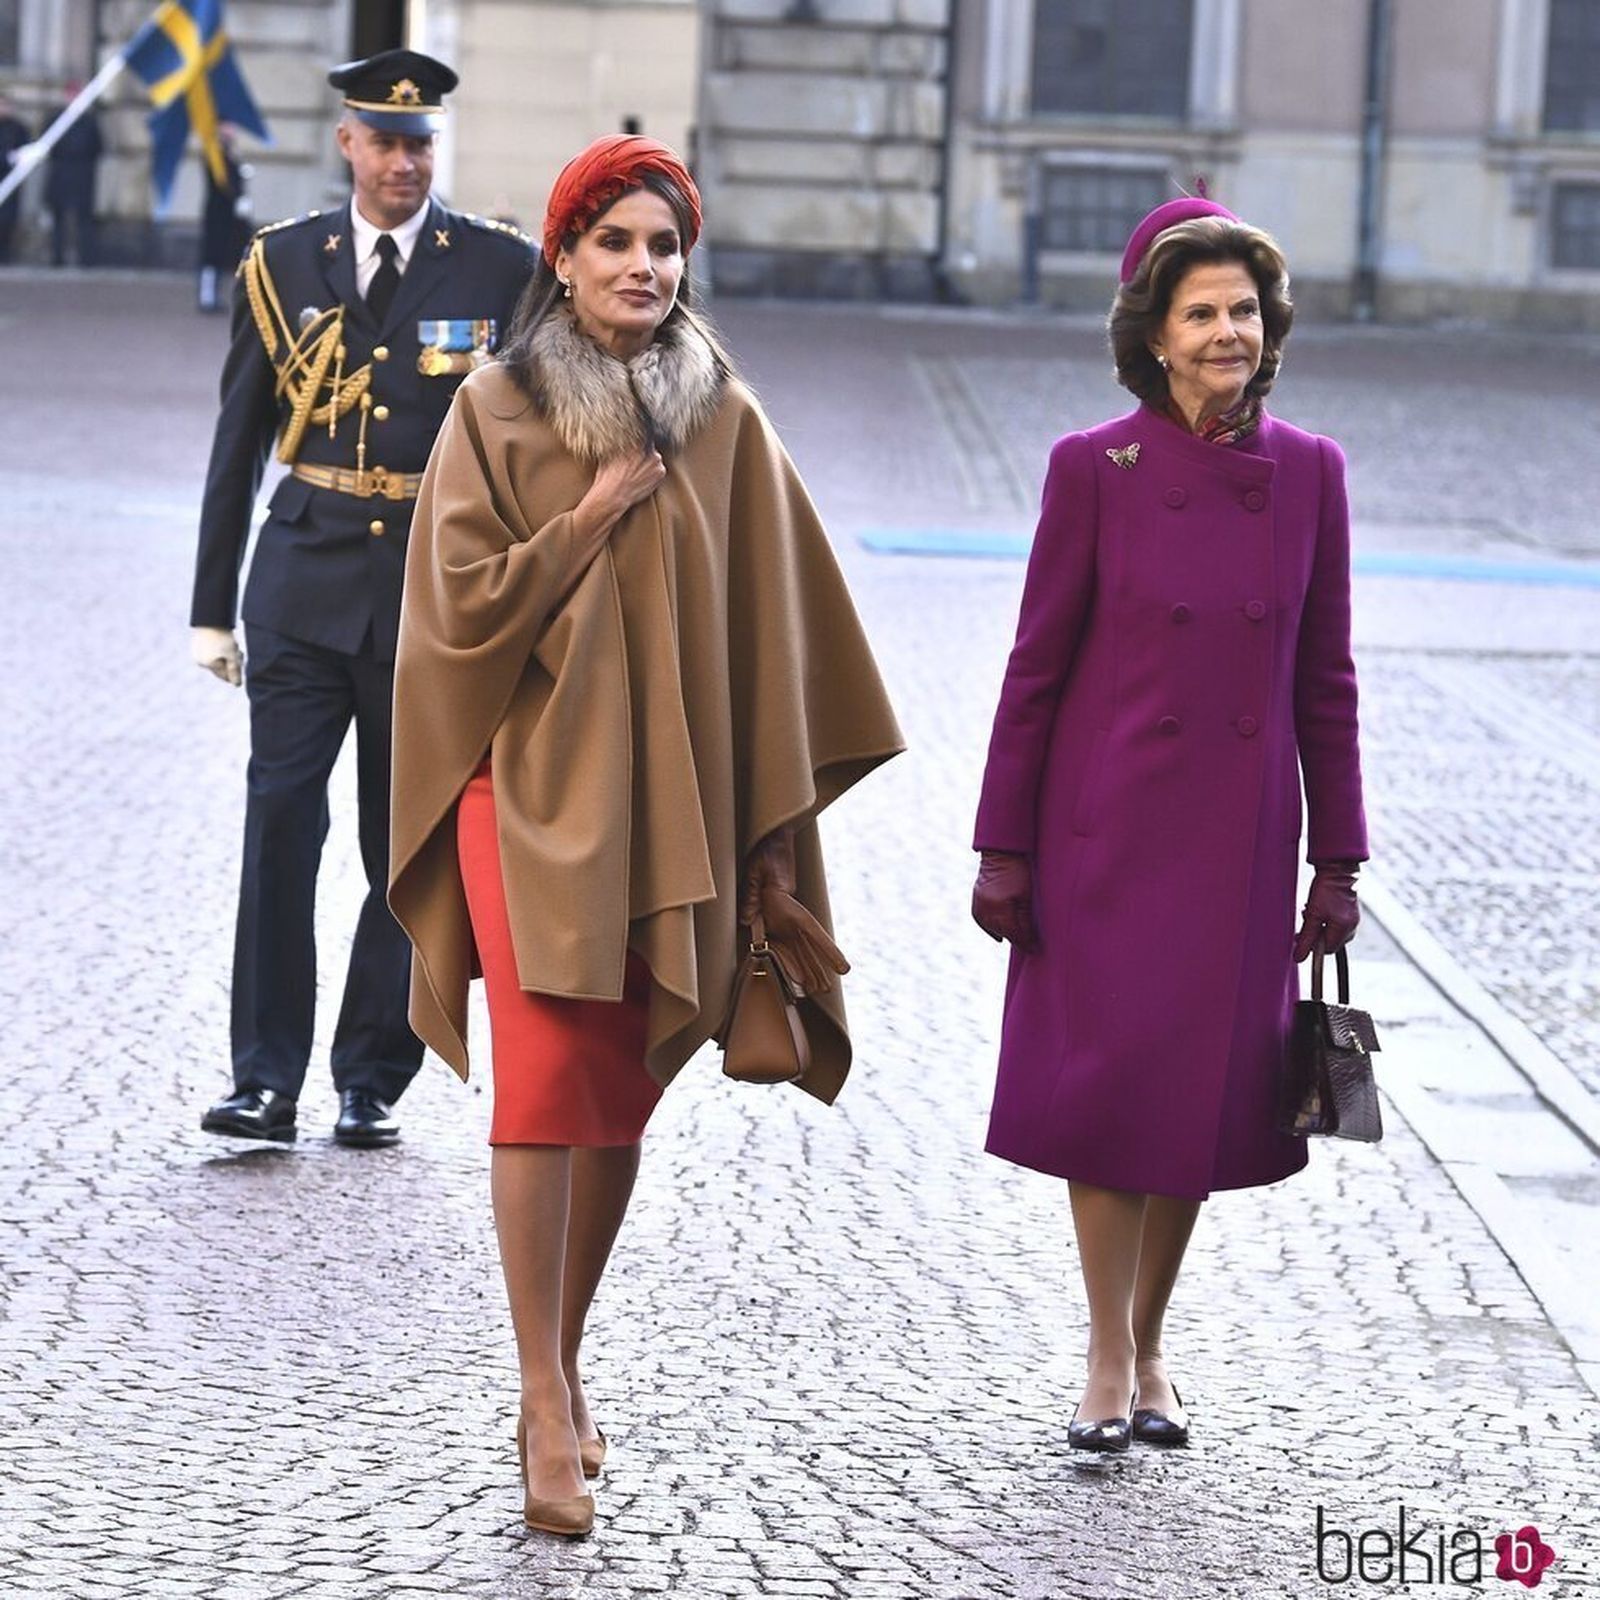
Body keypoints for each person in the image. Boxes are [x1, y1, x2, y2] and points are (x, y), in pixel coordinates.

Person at [387, 135, 904, 1536]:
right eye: (612, 242)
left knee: (615, 1093)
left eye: (662, 246)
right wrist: (588, 519)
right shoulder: (495, 407)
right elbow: (453, 618)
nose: (641, 268)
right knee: (545, 1077)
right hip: (526, 794)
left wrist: (774, 834)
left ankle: (557, 1361)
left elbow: (778, 629)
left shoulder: (721, 413)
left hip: (674, 808)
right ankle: (545, 1401)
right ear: (562, 260)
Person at [970, 195, 1366, 1454]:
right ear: (1151, 335)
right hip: (1109, 835)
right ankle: (1103, 1350)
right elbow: (1033, 668)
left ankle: (1153, 1345)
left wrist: (1338, 855)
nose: (1226, 334)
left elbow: (1326, 677)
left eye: (1243, 311)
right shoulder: (1094, 467)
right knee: (1112, 1091)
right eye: (1200, 313)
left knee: (1199, 1101)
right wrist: (1003, 844)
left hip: (1242, 842)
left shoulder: (1310, 473)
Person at [190, 50, 536, 1148]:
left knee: (406, 845)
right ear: (347, 142)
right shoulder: (284, 261)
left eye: (419, 140)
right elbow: (239, 437)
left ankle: (371, 1075)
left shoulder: (494, 268)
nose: (403, 159)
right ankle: (263, 1078)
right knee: (280, 823)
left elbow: (526, 443)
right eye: (384, 140)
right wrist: (209, 605)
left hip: (431, 599)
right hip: (298, 581)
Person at [43, 88, 101, 267]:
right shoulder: (55, 120)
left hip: (83, 176)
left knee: (84, 221)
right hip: (60, 174)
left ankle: (86, 258)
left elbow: (98, 147)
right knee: (58, 220)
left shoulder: (89, 122)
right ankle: (57, 257)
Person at [197, 124, 252, 312]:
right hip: (217, 213)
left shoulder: (230, 153)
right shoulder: (214, 155)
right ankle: (206, 297)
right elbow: (223, 183)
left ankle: (214, 295)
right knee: (212, 255)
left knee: (223, 255)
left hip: (229, 214)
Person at [0, 96, 31, 263]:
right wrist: (7, 158)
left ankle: (5, 256)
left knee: (8, 221)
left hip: (12, 180)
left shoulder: (18, 128)